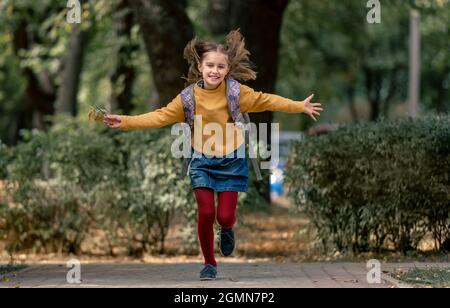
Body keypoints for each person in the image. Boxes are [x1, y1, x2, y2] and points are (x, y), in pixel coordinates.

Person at [103, 30, 322, 281]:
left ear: (227, 69)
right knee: (206, 213)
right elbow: (159, 116)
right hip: (201, 162)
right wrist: (126, 121)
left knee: (225, 216)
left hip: (232, 159)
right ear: (200, 66)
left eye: (220, 66)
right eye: (209, 65)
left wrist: (298, 106)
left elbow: (267, 100)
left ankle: (227, 229)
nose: (214, 71)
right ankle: (209, 263)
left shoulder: (236, 93)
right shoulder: (187, 98)